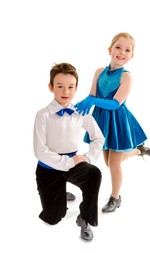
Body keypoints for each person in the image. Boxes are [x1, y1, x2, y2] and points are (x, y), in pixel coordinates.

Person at [74, 32, 150, 213]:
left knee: (114, 166)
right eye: (118, 47)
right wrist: (79, 107)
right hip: (102, 119)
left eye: (127, 50)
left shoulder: (126, 77)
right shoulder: (98, 72)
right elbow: (92, 95)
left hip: (117, 120)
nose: (121, 52)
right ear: (110, 49)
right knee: (109, 162)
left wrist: (93, 101)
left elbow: (115, 103)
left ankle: (115, 198)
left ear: (131, 56)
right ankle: (138, 150)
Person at [33, 63, 105, 241]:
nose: (65, 91)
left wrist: (87, 159)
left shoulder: (81, 111)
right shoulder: (43, 115)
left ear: (76, 88)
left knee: (94, 174)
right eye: (60, 86)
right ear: (51, 87)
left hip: (74, 162)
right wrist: (68, 163)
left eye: (70, 87)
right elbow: (40, 151)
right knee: (53, 218)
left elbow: (99, 138)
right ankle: (59, 192)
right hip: (48, 168)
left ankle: (85, 218)